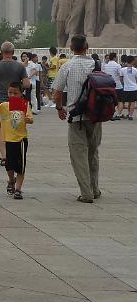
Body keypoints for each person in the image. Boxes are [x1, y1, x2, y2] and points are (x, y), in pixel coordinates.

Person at [52, 34, 101, 203]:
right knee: (93, 153)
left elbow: (57, 93)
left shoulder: (67, 66)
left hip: (77, 117)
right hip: (95, 116)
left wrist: (59, 108)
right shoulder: (96, 64)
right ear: (87, 46)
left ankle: (86, 193)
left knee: (78, 155)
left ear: (71, 48)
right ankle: (94, 189)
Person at [0, 41, 30, 166]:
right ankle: (14, 154)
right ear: (13, 52)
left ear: (2, 52)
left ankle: (4, 157)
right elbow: (26, 84)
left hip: (0, 101)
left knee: (0, 128)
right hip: (16, 101)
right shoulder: (20, 67)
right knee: (15, 128)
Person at [0, 82, 34, 200]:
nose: (13, 95)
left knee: (20, 166)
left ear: (21, 93)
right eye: (10, 93)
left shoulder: (24, 104)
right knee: (9, 165)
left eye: (16, 93)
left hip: (21, 140)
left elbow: (30, 119)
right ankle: (11, 180)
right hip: (8, 139)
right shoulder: (4, 106)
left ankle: (18, 189)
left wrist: (27, 119)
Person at [103, 52, 124, 120]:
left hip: (109, 85)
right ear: (115, 57)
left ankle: (111, 114)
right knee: (120, 101)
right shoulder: (117, 65)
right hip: (117, 85)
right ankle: (119, 114)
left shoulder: (106, 66)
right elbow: (120, 75)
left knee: (110, 101)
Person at [119, 55, 137, 120]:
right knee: (132, 102)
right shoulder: (135, 70)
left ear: (126, 61)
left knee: (122, 101)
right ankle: (130, 115)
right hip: (134, 88)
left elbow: (121, 78)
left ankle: (119, 114)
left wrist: (123, 83)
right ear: (133, 61)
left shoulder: (122, 69)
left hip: (126, 88)